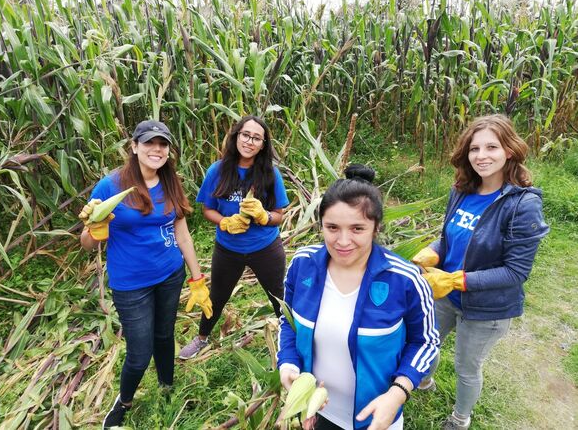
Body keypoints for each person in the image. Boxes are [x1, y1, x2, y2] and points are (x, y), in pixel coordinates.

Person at [412, 114, 549, 430]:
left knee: (466, 367)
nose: (481, 156)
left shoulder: (522, 205)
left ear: (509, 151)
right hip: (445, 294)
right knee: (425, 341)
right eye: (475, 149)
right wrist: (433, 252)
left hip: (487, 307)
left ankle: (461, 419)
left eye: (492, 147)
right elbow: (449, 238)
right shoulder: (461, 189)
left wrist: (454, 280)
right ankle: (423, 382)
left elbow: (515, 272)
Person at [277, 164, 439, 430]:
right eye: (332, 227)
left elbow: (425, 342)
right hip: (316, 410)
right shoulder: (302, 264)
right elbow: (288, 323)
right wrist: (287, 364)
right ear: (321, 226)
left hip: (376, 416)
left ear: (376, 228)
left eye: (357, 229)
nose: (342, 241)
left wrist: (397, 394)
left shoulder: (405, 279)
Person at [79, 120, 210, 429]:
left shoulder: (170, 180)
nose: (157, 149)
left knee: (165, 336)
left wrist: (197, 279)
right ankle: (124, 401)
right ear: (134, 146)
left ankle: (166, 385)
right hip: (131, 284)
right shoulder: (110, 187)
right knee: (139, 353)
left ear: (168, 151)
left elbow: (182, 232)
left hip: (169, 274)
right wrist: (96, 230)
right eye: (149, 142)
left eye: (163, 144)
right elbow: (85, 244)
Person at [178, 115, 290, 359]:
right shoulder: (217, 171)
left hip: (265, 247)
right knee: (217, 295)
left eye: (256, 138)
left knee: (278, 295)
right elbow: (207, 209)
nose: (249, 141)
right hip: (228, 248)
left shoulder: (270, 174)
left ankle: (291, 342)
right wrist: (225, 222)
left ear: (263, 144)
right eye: (245, 135)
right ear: (236, 136)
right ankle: (201, 338)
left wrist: (264, 217)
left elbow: (279, 215)